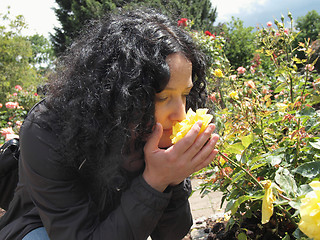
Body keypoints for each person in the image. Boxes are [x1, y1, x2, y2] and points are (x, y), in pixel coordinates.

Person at [0, 8, 219, 240]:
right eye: (162, 97)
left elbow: (172, 233)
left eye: (185, 94)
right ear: (120, 91)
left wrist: (172, 180)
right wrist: (154, 181)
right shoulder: (47, 130)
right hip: (40, 229)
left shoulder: (155, 129)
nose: (181, 115)